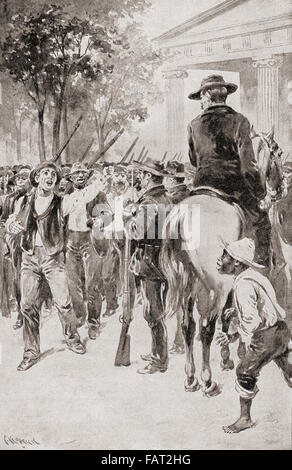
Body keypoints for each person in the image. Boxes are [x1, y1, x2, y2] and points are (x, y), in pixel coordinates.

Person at [6, 161, 86, 371]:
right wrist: (11, 225)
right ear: (37, 178)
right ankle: (31, 352)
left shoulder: (63, 202)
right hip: (29, 258)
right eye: (45, 173)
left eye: (53, 174)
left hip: (53, 258)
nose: (50, 177)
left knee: (63, 302)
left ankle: (72, 338)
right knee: (27, 305)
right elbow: (11, 221)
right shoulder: (23, 201)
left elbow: (82, 197)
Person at [188, 74, 270, 266]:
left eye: (201, 96)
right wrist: (259, 193)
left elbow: (193, 161)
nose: (201, 101)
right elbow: (248, 165)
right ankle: (261, 264)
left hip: (201, 185)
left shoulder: (193, 124)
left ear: (208, 96)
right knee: (262, 221)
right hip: (232, 187)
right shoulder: (240, 120)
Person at [216, 237, 292, 433]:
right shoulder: (253, 276)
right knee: (288, 367)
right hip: (281, 331)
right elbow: (264, 305)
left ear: (237, 263)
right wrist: (237, 312)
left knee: (244, 371)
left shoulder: (243, 286)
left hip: (266, 337)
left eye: (226, 255)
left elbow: (253, 322)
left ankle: (245, 418)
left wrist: (232, 337)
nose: (221, 258)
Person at [128, 157, 171, 374]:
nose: (140, 179)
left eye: (142, 175)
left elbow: (136, 233)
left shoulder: (149, 203)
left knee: (152, 312)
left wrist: (127, 218)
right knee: (157, 311)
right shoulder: (166, 198)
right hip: (164, 261)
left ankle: (158, 360)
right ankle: (158, 351)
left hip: (149, 262)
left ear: (147, 177)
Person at [63, 162, 110, 339]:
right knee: (73, 285)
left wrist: (100, 221)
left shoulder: (97, 194)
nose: (80, 176)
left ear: (87, 177)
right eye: (77, 174)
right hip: (70, 241)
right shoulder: (65, 197)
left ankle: (94, 322)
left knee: (93, 285)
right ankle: (80, 317)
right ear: (71, 178)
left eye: (83, 173)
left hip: (90, 240)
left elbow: (107, 215)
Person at [1, 166, 31, 328]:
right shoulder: (10, 199)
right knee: (17, 278)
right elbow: (4, 219)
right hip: (14, 243)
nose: (20, 181)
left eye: (24, 178)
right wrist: (8, 230)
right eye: (18, 178)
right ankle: (21, 314)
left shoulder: (35, 197)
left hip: (32, 243)